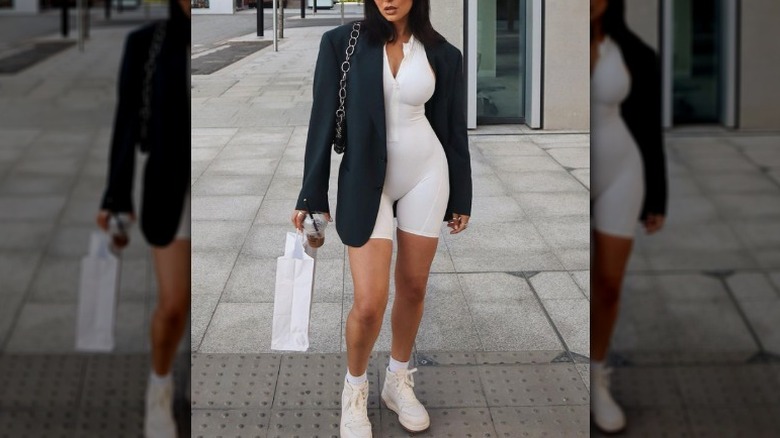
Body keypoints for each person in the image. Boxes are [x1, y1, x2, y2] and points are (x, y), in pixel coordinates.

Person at [290, 0, 472, 436]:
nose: (388, 0)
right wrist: (311, 192)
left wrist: (461, 195)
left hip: (426, 173)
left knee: (413, 286)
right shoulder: (341, 43)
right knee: (369, 303)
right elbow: (320, 119)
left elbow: (451, 126)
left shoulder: (443, 53)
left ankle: (397, 380)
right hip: (364, 178)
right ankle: (354, 390)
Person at [96, 1, 190, 436]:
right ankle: (160, 386)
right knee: (173, 306)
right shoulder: (147, 44)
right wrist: (116, 196)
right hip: (172, 187)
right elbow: (127, 122)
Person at [590, 0, 668, 433]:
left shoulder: (634, 51)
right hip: (584, 173)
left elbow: (648, 125)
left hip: (623, 170)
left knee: (609, 283)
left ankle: (596, 374)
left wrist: (657, 197)